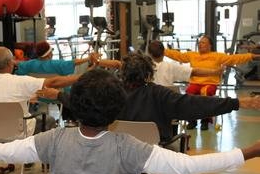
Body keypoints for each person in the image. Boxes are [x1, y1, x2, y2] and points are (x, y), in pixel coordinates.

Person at [0, 69, 260, 174]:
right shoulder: (127, 148)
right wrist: (250, 151)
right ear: (114, 110)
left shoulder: (53, 140)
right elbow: (187, 167)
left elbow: (2, 152)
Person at [38, 53, 260, 143]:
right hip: (153, 152)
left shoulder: (108, 91)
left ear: (123, 73)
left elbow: (80, 102)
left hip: (116, 149)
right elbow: (196, 105)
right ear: (148, 74)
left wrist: (56, 94)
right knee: (179, 143)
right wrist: (239, 102)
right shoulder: (159, 94)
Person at [0, 47, 80, 171]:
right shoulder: (21, 81)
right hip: (18, 133)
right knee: (49, 120)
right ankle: (45, 164)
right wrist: (83, 77)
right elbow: (53, 83)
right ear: (10, 63)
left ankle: (26, 158)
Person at [164, 34, 260, 130]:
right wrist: (162, 50)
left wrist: (253, 56)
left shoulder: (217, 56)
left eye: (203, 43)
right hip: (195, 83)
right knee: (189, 93)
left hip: (210, 84)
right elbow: (178, 56)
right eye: (200, 42)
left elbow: (234, 58)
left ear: (210, 46)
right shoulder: (192, 55)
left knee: (205, 92)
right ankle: (192, 120)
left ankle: (205, 120)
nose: (200, 44)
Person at [148, 40, 222, 86]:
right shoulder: (170, 66)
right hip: (166, 100)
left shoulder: (142, 67)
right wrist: (215, 72)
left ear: (149, 53)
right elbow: (195, 72)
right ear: (164, 52)